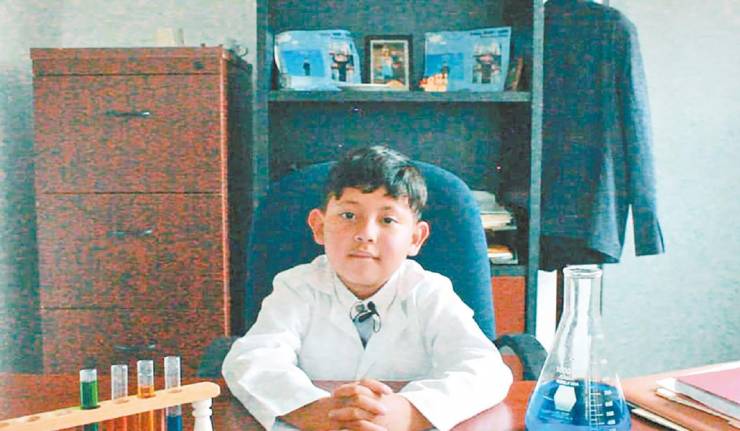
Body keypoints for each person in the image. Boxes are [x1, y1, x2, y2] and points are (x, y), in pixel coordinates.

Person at [222, 146, 513, 431]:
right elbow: (252, 361)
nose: (365, 234)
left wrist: (410, 412)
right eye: (348, 216)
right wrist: (315, 410)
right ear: (319, 226)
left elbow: (485, 369)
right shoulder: (296, 287)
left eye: (387, 220)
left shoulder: (430, 293)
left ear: (415, 238)